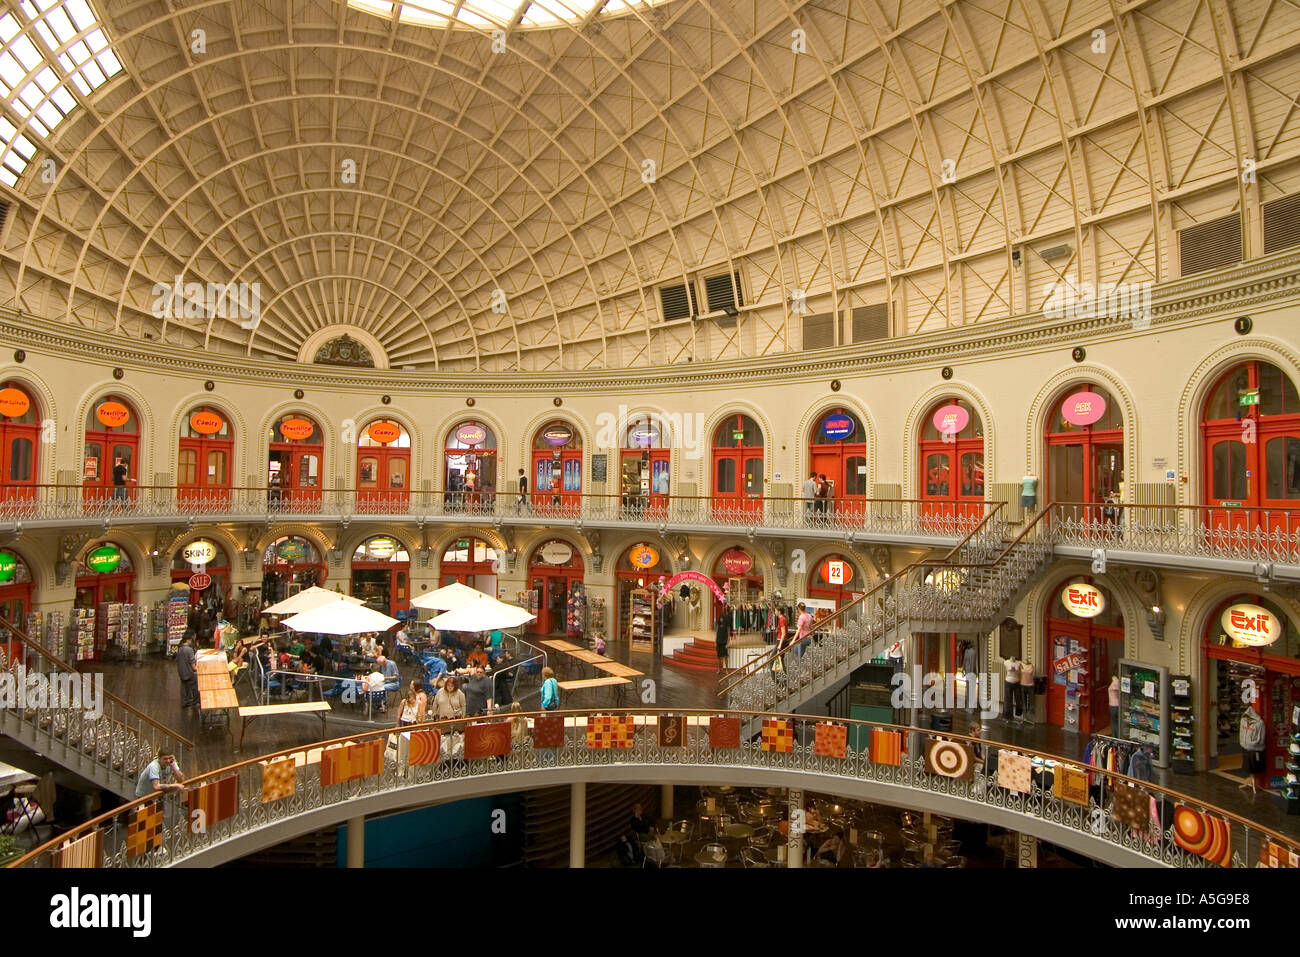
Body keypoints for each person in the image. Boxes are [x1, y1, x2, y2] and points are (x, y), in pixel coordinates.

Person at [176, 636, 198, 708]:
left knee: (184, 686)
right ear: (188, 640)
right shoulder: (189, 649)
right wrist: (195, 668)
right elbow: (192, 661)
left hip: (181, 671)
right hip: (189, 671)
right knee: (194, 684)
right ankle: (195, 701)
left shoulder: (180, 649)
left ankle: (184, 701)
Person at [714, 609, 731, 675]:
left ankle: (726, 669)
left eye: (722, 619)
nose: (721, 620)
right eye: (720, 619)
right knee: (719, 657)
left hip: (724, 642)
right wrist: (715, 641)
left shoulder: (727, 625)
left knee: (725, 656)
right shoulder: (718, 625)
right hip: (719, 642)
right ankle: (719, 669)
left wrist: (727, 642)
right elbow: (716, 633)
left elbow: (729, 634)